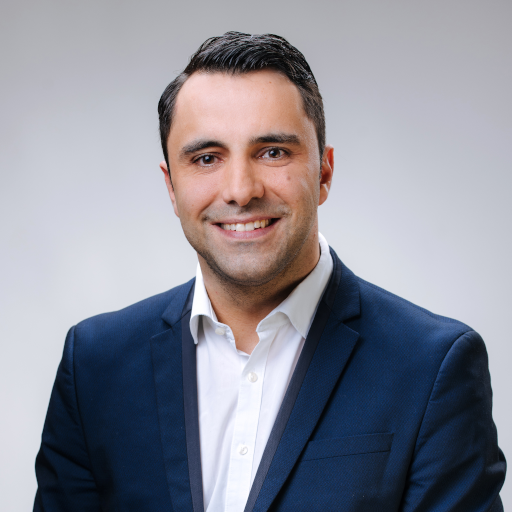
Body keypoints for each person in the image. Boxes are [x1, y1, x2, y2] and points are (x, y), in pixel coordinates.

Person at [34, 32, 506, 512]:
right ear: (171, 187)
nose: (241, 190)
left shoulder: (432, 368)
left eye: (273, 152)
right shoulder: (94, 367)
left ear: (324, 173)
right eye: (207, 158)